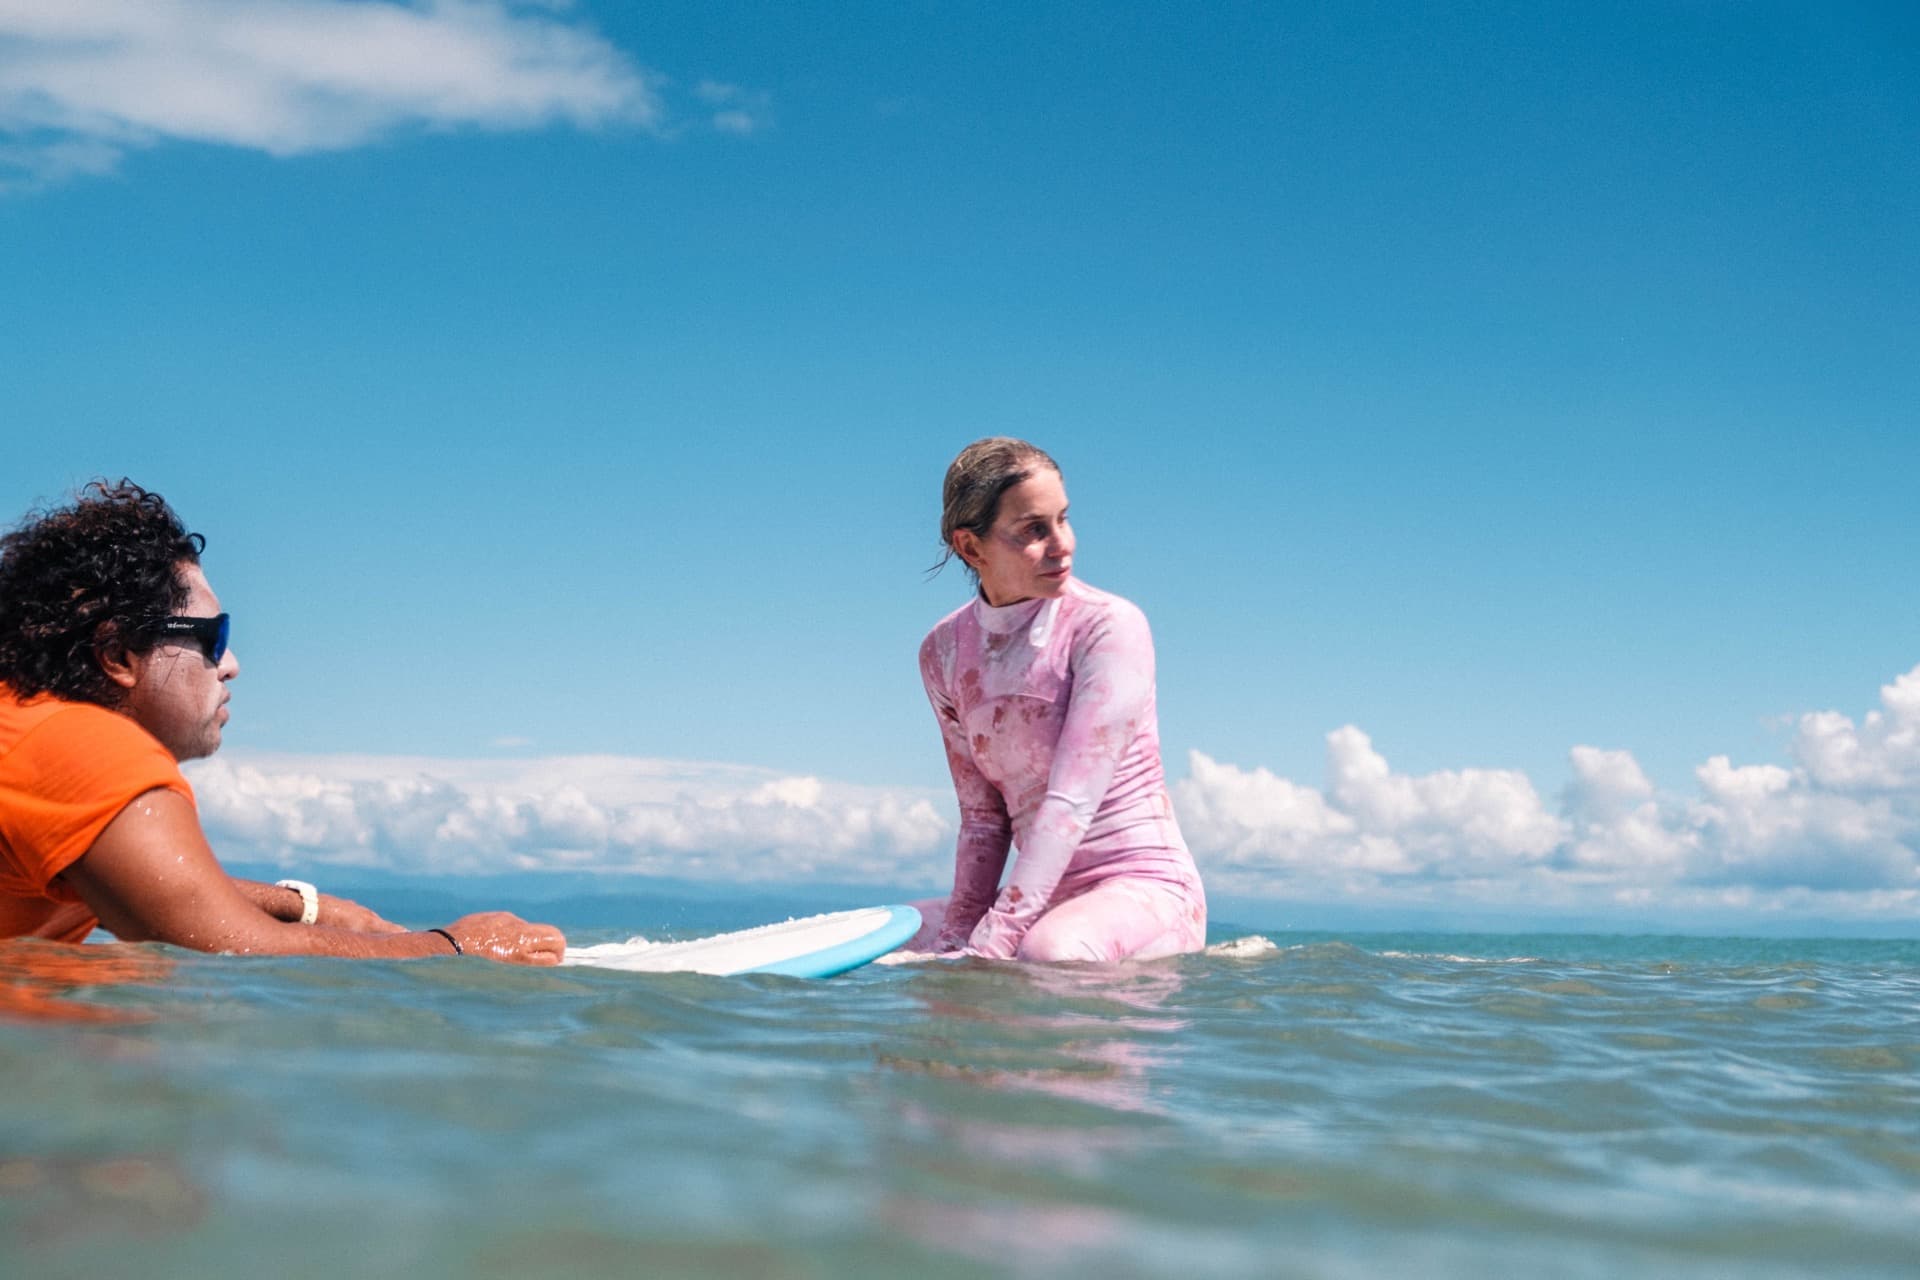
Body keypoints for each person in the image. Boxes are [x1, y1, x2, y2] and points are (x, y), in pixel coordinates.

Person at [0, 480, 565, 964]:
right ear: (118, 655)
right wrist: (458, 948)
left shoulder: (28, 728)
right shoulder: (79, 748)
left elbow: (163, 887)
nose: (232, 665)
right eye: (212, 638)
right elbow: (232, 950)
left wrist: (312, 908)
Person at [914, 438, 1207, 962]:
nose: (1062, 544)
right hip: (1044, 902)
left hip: (1143, 888)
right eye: (1033, 529)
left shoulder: (1107, 628)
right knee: (901, 932)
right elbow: (982, 819)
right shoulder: (943, 652)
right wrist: (955, 938)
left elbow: (1071, 804)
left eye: (1063, 520)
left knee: (1050, 951)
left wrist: (993, 942)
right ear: (971, 547)